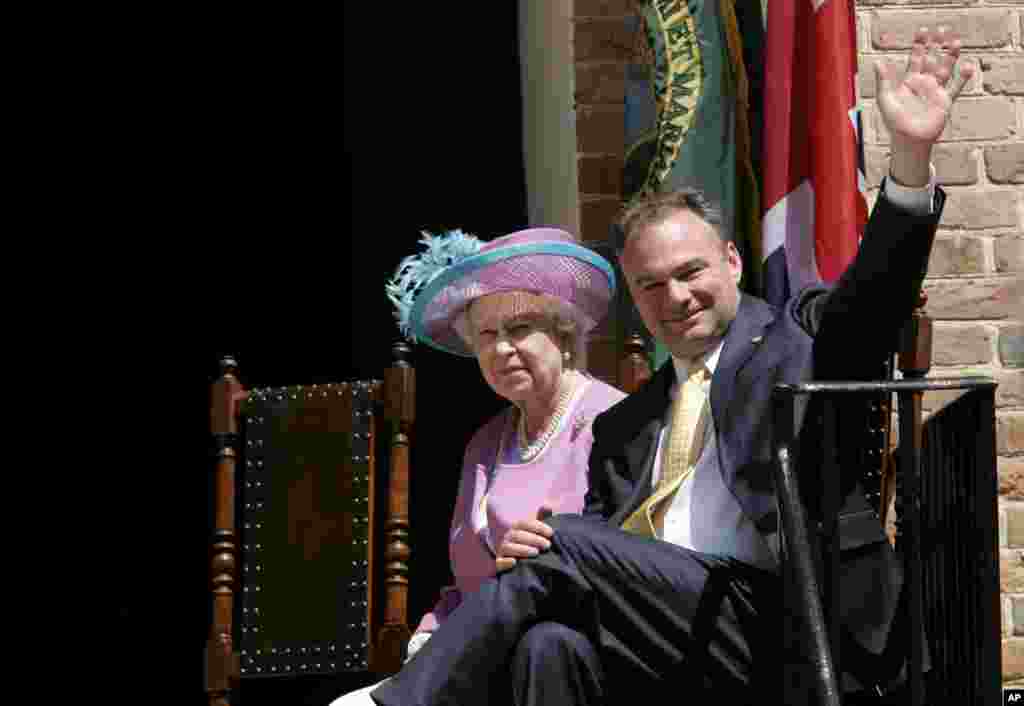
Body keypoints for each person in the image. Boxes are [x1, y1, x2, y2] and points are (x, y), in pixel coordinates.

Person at [369, 27, 974, 706]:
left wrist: (912, 161)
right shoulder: (626, 427)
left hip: (790, 627)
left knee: (562, 547)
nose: (676, 297)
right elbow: (595, 551)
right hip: (672, 635)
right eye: (651, 286)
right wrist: (546, 544)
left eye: (690, 273)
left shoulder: (796, 337)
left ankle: (398, 703)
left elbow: (873, 301)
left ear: (733, 262)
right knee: (551, 644)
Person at [330, 227, 627, 705]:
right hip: (485, 661)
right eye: (487, 335)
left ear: (563, 332)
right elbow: (463, 584)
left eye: (519, 328)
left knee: (545, 646)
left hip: (583, 652)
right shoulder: (486, 443)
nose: (501, 348)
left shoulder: (612, 421)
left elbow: (619, 560)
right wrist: (429, 641)